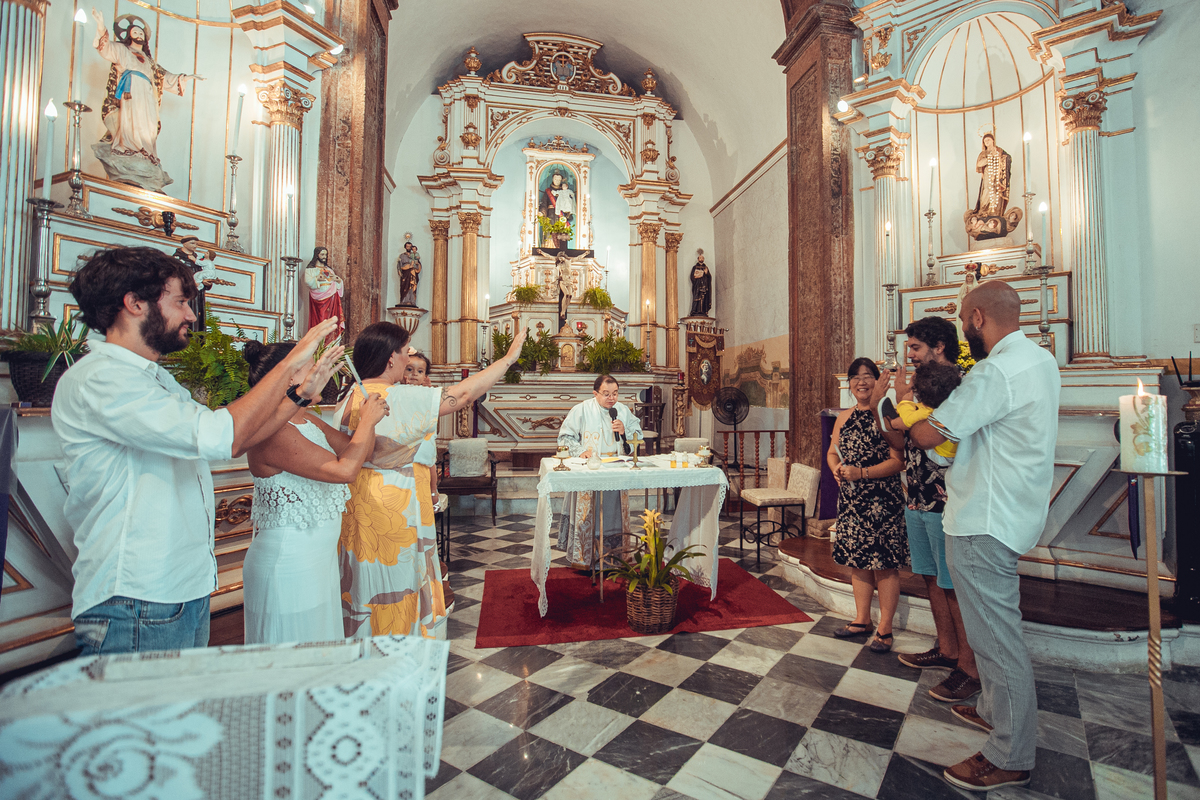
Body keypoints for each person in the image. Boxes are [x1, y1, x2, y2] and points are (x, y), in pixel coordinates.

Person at [53, 246, 342, 656]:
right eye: (181, 302)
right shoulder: (102, 378)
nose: (191, 315)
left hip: (179, 586)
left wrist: (296, 396)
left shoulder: (157, 381)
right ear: (134, 304)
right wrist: (291, 361)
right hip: (137, 593)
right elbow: (217, 435)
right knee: (146, 719)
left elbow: (235, 438)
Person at [900, 281, 1060, 791]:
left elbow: (931, 434)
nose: (966, 330)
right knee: (992, 630)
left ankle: (1010, 753)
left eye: (965, 321)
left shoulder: (997, 371)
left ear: (975, 317)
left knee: (996, 640)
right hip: (1009, 511)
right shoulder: (1040, 361)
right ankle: (993, 709)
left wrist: (906, 409)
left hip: (983, 518)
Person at [339, 322, 525, 638]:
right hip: (390, 507)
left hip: (356, 500)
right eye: (403, 352)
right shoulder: (392, 396)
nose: (406, 358)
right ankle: (397, 659)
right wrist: (507, 359)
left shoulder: (350, 395)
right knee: (394, 587)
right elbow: (463, 394)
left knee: (362, 587)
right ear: (390, 360)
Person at [240, 341, 388, 644]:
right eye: (313, 367)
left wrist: (365, 420)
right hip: (288, 563)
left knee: (318, 649)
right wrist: (368, 421)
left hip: (316, 560)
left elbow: (358, 453)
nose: (323, 373)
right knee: (291, 655)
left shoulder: (305, 419)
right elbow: (344, 471)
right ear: (291, 377)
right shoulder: (273, 430)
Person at [870, 316, 980, 703]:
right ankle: (947, 648)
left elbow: (927, 433)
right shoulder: (917, 388)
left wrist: (901, 400)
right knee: (931, 577)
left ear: (939, 347)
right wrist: (881, 404)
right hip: (916, 494)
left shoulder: (958, 388)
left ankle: (969, 666)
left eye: (916, 348)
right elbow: (898, 441)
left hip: (947, 498)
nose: (910, 356)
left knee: (952, 585)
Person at [827, 357, 907, 653]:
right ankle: (862, 619)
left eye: (868, 376)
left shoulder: (886, 413)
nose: (861, 382)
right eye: (855, 377)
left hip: (882, 499)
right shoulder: (844, 416)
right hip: (851, 499)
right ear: (849, 384)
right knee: (858, 560)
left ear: (878, 382)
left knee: (884, 564)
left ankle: (885, 627)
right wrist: (836, 467)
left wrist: (862, 473)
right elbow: (832, 451)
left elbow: (899, 461)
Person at [90, 10, 201, 177]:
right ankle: (128, 149)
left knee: (148, 126)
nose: (138, 34)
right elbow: (105, 48)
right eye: (135, 32)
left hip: (148, 95)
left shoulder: (150, 62)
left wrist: (185, 77)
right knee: (130, 121)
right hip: (131, 91)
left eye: (141, 32)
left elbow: (166, 77)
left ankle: (145, 154)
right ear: (128, 35)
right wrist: (100, 26)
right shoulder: (122, 50)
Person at [555, 375, 643, 570]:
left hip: (615, 471)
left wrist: (625, 433)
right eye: (606, 394)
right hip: (590, 471)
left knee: (612, 515)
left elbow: (638, 436)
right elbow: (564, 438)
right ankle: (586, 558)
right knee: (589, 515)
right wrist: (580, 452)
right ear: (595, 393)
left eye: (615, 393)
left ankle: (614, 558)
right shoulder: (582, 409)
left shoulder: (622, 411)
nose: (611, 398)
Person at [896, 362, 961, 465]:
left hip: (942, 456)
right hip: (957, 451)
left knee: (906, 426)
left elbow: (907, 419)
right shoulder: (951, 407)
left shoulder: (927, 413)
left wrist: (905, 402)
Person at [404, 350, 440, 514]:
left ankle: (433, 492)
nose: (413, 375)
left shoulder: (428, 395)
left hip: (423, 453)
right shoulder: (394, 391)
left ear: (426, 376)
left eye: (420, 371)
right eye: (409, 369)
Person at [173, 236, 215, 332]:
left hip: (197, 296)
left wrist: (207, 283)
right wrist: (193, 283)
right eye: (192, 243)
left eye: (196, 243)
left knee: (197, 323)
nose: (195, 246)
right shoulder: (177, 259)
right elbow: (175, 279)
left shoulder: (199, 260)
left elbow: (205, 273)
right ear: (184, 243)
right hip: (184, 295)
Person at [304, 246, 344, 343]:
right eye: (322, 254)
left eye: (325, 254)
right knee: (321, 321)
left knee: (332, 322)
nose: (324, 256)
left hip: (332, 299)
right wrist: (317, 278)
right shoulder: (310, 270)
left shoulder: (329, 270)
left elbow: (336, 282)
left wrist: (339, 280)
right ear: (316, 255)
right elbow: (308, 282)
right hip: (318, 300)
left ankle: (332, 343)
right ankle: (320, 345)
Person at [397, 242, 421, 307]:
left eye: (410, 247)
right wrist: (399, 270)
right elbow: (399, 264)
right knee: (404, 287)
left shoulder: (414, 255)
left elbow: (418, 264)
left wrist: (415, 265)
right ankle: (403, 301)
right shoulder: (402, 255)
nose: (408, 248)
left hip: (412, 273)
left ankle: (411, 301)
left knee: (412, 286)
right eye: (407, 247)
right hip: (405, 274)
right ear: (405, 247)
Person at [689, 252, 712, 316]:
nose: (701, 259)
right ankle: (695, 311)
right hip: (697, 285)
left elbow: (709, 277)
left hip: (704, 285)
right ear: (698, 259)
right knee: (697, 297)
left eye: (702, 258)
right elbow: (692, 277)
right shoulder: (695, 267)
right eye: (700, 258)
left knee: (703, 298)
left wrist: (706, 273)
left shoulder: (705, 267)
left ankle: (703, 311)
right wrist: (697, 276)